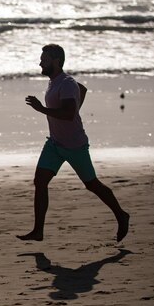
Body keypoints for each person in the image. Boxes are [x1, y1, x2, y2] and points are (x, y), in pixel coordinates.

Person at [18, 44, 129, 242]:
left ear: (56, 61)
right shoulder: (55, 82)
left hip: (74, 146)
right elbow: (83, 90)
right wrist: (73, 107)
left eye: (44, 59)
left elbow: (69, 115)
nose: (40, 63)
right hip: (54, 144)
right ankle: (38, 231)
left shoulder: (66, 83)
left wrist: (41, 109)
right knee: (40, 181)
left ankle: (121, 215)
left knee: (92, 185)